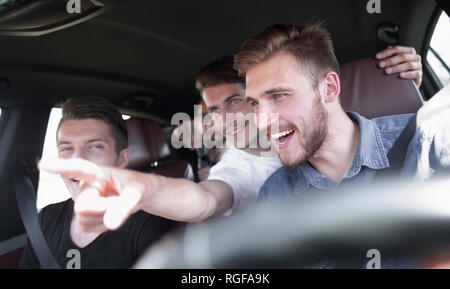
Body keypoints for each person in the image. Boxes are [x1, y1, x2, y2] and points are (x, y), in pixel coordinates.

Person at [38, 36, 425, 232]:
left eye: (237, 101)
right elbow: (207, 199)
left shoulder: (408, 139)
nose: (226, 118)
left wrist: (404, 81)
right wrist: (149, 189)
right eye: (214, 111)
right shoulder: (248, 169)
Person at [230, 23, 449, 201]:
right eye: (255, 104)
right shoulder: (275, 194)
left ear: (329, 88)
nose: (261, 122)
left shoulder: (426, 145)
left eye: (279, 96)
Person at [20, 97, 177, 269]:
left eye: (95, 146)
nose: (77, 160)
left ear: (122, 158)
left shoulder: (150, 224)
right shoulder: (46, 218)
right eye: (66, 148)